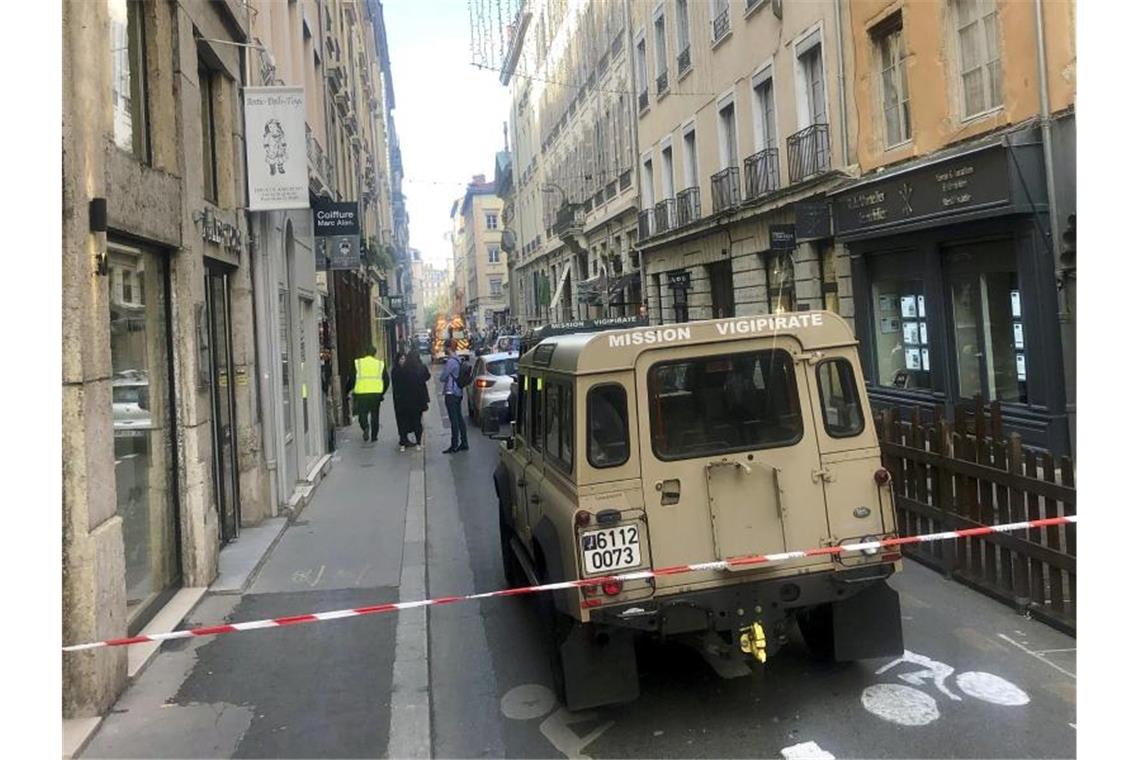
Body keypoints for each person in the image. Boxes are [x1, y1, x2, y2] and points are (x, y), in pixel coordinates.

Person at [345, 344, 389, 443]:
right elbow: (386, 380)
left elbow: (352, 378)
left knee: (362, 414)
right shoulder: (380, 364)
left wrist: (347, 390)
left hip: (362, 394)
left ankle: (365, 427)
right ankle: (374, 437)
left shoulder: (358, 363)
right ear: (375, 353)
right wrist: (382, 393)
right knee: (375, 415)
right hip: (376, 394)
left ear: (365, 352)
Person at [392, 350, 430, 452]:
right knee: (417, 421)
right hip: (418, 401)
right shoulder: (420, 368)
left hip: (403, 402)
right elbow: (427, 377)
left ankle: (403, 443)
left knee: (404, 422)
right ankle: (418, 443)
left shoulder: (402, 370)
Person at [440, 339, 468, 453]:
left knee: (454, 420)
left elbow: (442, 377)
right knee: (459, 418)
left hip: (451, 393)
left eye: (444, 347)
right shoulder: (458, 359)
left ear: (448, 348)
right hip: (459, 392)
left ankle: (454, 445)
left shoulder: (451, 362)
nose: (443, 349)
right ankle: (464, 442)